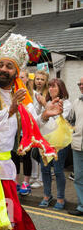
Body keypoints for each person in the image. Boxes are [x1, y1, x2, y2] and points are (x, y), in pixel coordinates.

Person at [0, 34, 63, 230]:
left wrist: (45, 115)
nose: (3, 69)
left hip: (5, 165)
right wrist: (10, 110)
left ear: (16, 72)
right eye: (1, 65)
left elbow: (31, 125)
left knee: (10, 217)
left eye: (9, 66)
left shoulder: (22, 94)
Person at [37, 78, 72, 210]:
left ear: (61, 89)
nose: (51, 89)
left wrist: (46, 104)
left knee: (58, 170)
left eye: (54, 87)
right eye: (49, 86)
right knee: (45, 169)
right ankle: (47, 196)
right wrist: (41, 104)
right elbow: (38, 117)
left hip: (59, 141)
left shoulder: (66, 103)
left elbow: (59, 118)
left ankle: (61, 198)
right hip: (45, 140)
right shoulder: (47, 101)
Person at [13, 69, 35, 196]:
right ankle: (15, 180)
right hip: (14, 132)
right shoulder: (13, 92)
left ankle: (26, 182)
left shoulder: (31, 94)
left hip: (26, 133)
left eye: (22, 77)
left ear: (27, 79)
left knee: (26, 157)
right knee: (14, 156)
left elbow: (34, 116)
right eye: (18, 77)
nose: (20, 79)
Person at [30, 70, 50, 189]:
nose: (39, 81)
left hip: (43, 126)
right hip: (33, 126)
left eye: (42, 79)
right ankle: (34, 176)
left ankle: (41, 179)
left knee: (42, 153)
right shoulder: (31, 93)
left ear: (46, 81)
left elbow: (45, 111)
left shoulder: (47, 94)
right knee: (33, 153)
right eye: (37, 79)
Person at [68, 76, 83, 216]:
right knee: (78, 177)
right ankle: (81, 206)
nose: (81, 86)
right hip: (78, 146)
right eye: (79, 84)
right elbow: (69, 121)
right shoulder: (76, 102)